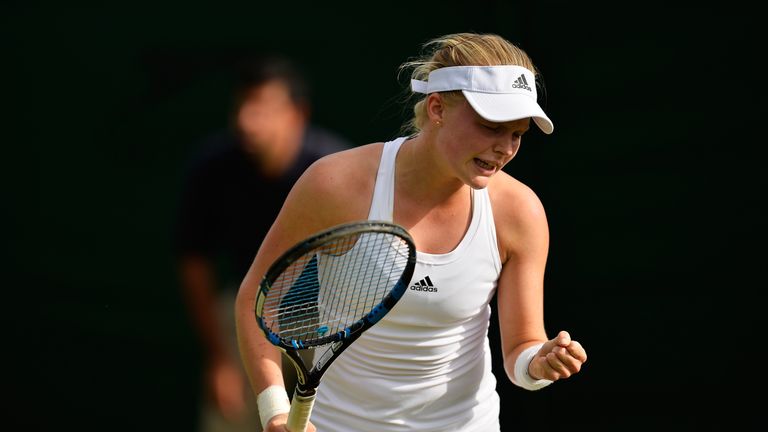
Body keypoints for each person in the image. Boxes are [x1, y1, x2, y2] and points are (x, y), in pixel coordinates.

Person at [235, 32, 588, 432]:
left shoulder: (519, 212)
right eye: (491, 127)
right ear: (437, 108)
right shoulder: (334, 184)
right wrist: (275, 411)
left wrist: (538, 362)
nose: (504, 148)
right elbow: (257, 299)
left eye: (517, 133)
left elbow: (521, 350)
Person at [174, 54, 351, 432]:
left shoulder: (334, 170)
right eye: (243, 107)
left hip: (327, 317)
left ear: (297, 114)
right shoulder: (213, 167)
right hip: (246, 309)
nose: (247, 121)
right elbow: (194, 262)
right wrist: (219, 359)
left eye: (264, 108)